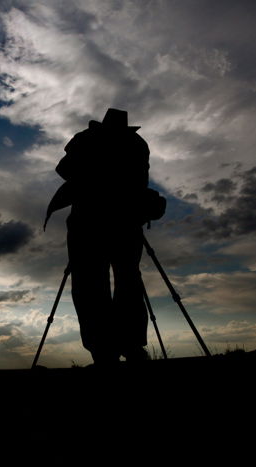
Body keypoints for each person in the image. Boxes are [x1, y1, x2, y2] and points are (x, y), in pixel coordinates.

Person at [45, 108, 154, 367]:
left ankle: (105, 350)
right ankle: (128, 346)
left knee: (92, 283)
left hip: (91, 222)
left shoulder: (87, 139)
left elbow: (64, 170)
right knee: (125, 279)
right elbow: (141, 181)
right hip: (121, 220)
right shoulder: (136, 143)